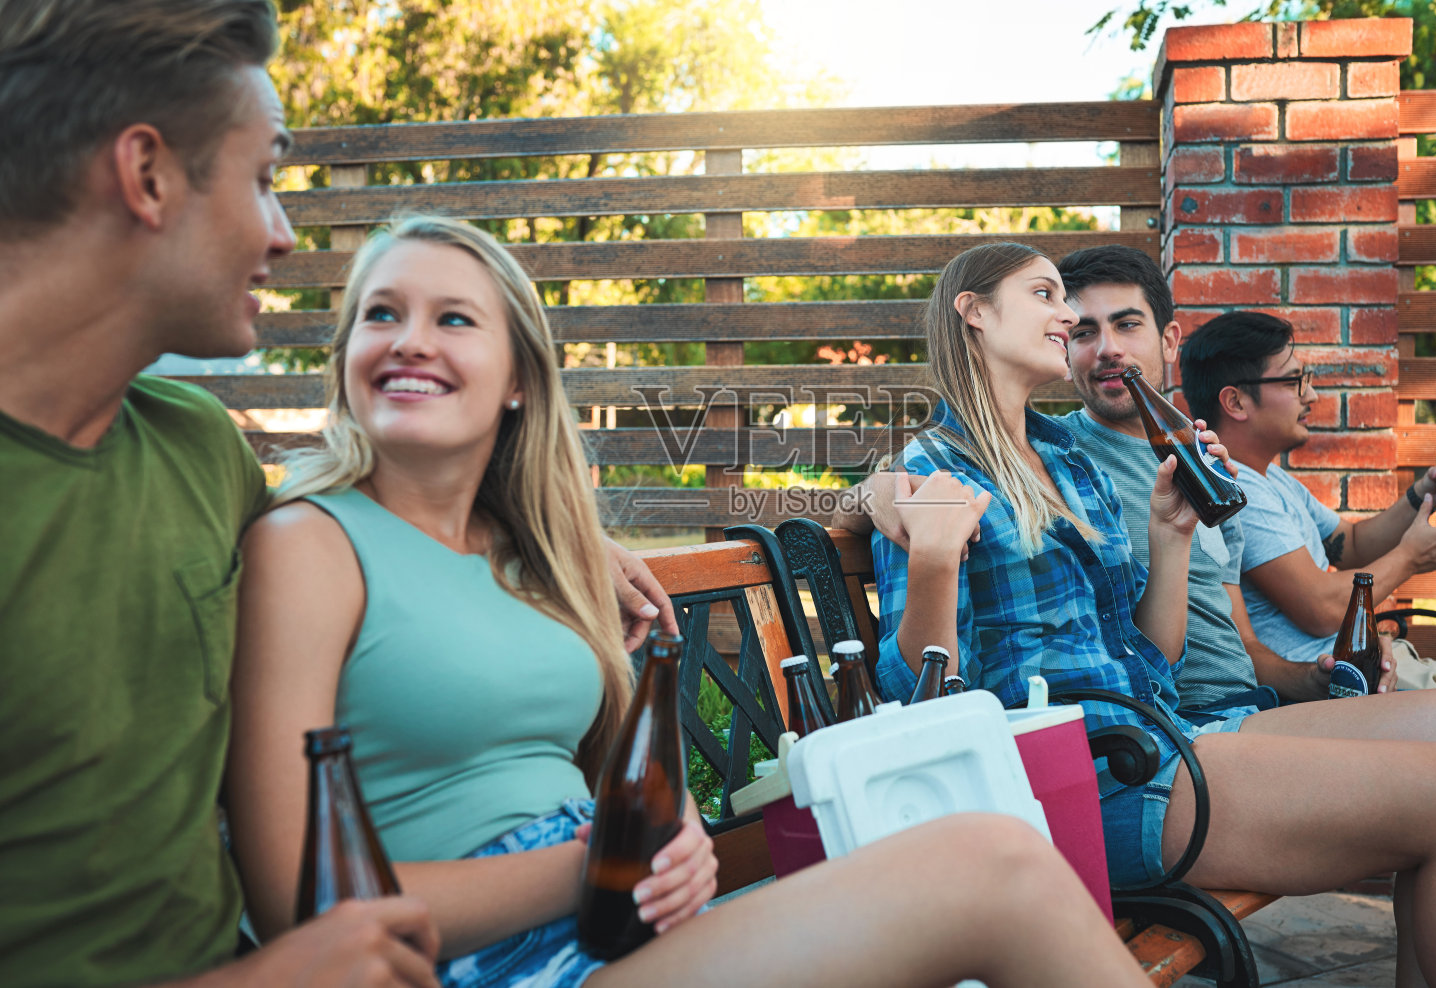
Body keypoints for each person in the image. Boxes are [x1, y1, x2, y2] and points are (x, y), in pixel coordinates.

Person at [224, 214, 1155, 988]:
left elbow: (601, 774)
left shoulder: (531, 555)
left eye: (454, 319)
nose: (411, 338)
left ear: (518, 381)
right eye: (380, 313)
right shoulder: (310, 544)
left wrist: (664, 843)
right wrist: (607, 863)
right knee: (992, 865)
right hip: (494, 962)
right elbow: (298, 900)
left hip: (626, 924)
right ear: (346, 354)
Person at [865, 240, 1436, 986]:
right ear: (974, 313)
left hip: (1159, 733)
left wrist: (1172, 533)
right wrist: (932, 557)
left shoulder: (1064, 460)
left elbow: (1150, 654)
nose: (1067, 317)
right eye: (1046, 296)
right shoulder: (930, 472)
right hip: (1083, 778)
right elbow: (916, 694)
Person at [0, 0, 444, 988]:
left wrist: (545, 536)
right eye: (263, 177)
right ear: (147, 175)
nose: (283, 235)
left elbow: (367, 539)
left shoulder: (195, 444)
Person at [1181, 309, 1436, 788]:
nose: (1312, 395)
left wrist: (1423, 493)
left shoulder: (1271, 478)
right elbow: (1320, 610)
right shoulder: (1233, 491)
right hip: (1364, 694)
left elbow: (1350, 544)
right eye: (1296, 380)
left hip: (1404, 664)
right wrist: (1412, 559)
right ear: (1235, 401)